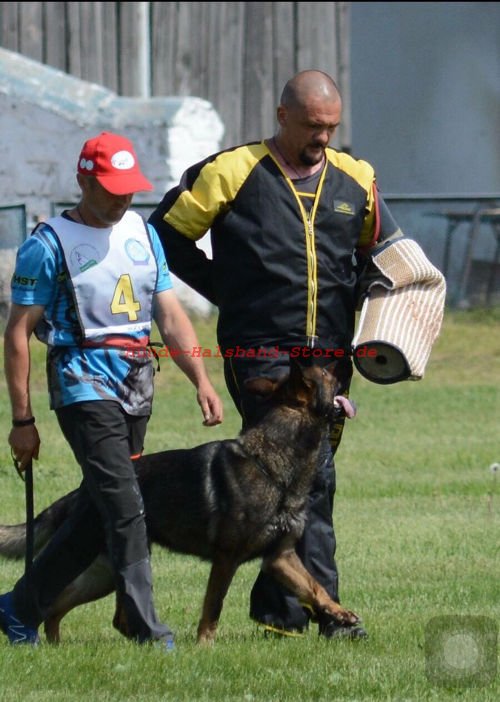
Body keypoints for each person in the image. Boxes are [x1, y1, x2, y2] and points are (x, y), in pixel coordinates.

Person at [147, 69, 415, 641]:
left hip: (331, 360)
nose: (323, 139)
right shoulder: (230, 172)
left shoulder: (355, 178)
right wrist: (226, 289)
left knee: (297, 484)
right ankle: (327, 613)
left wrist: (386, 314)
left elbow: (385, 253)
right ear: (283, 115)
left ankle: (282, 613)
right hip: (260, 353)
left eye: (332, 128)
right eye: (314, 127)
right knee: (307, 476)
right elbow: (163, 237)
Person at [0, 131, 223, 648]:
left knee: (97, 513)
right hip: (82, 385)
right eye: (110, 188)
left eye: (129, 188)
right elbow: (17, 334)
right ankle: (148, 630)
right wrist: (22, 422)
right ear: (83, 180)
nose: (122, 197)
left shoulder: (144, 235)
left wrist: (201, 380)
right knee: (126, 503)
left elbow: (169, 314)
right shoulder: (47, 244)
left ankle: (17, 608)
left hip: (136, 384)